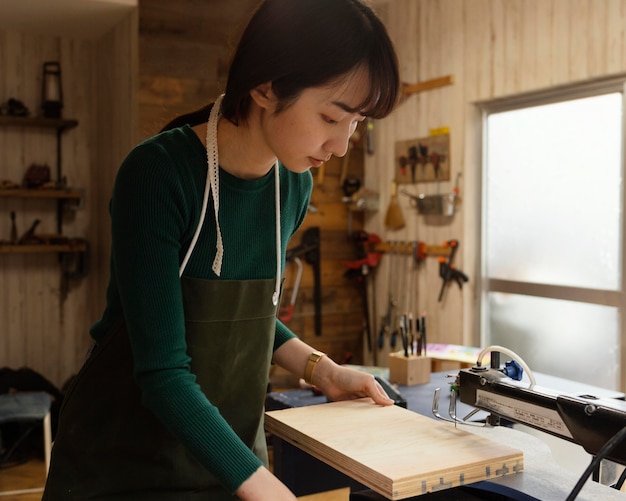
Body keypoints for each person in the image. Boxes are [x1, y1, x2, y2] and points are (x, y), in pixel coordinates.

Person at [43, 0, 400, 499]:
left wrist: (325, 371)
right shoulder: (158, 175)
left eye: (357, 123)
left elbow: (246, 313)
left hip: (227, 462)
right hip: (124, 466)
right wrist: (264, 486)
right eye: (330, 116)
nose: (341, 145)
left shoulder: (292, 185)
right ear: (265, 86)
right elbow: (164, 373)